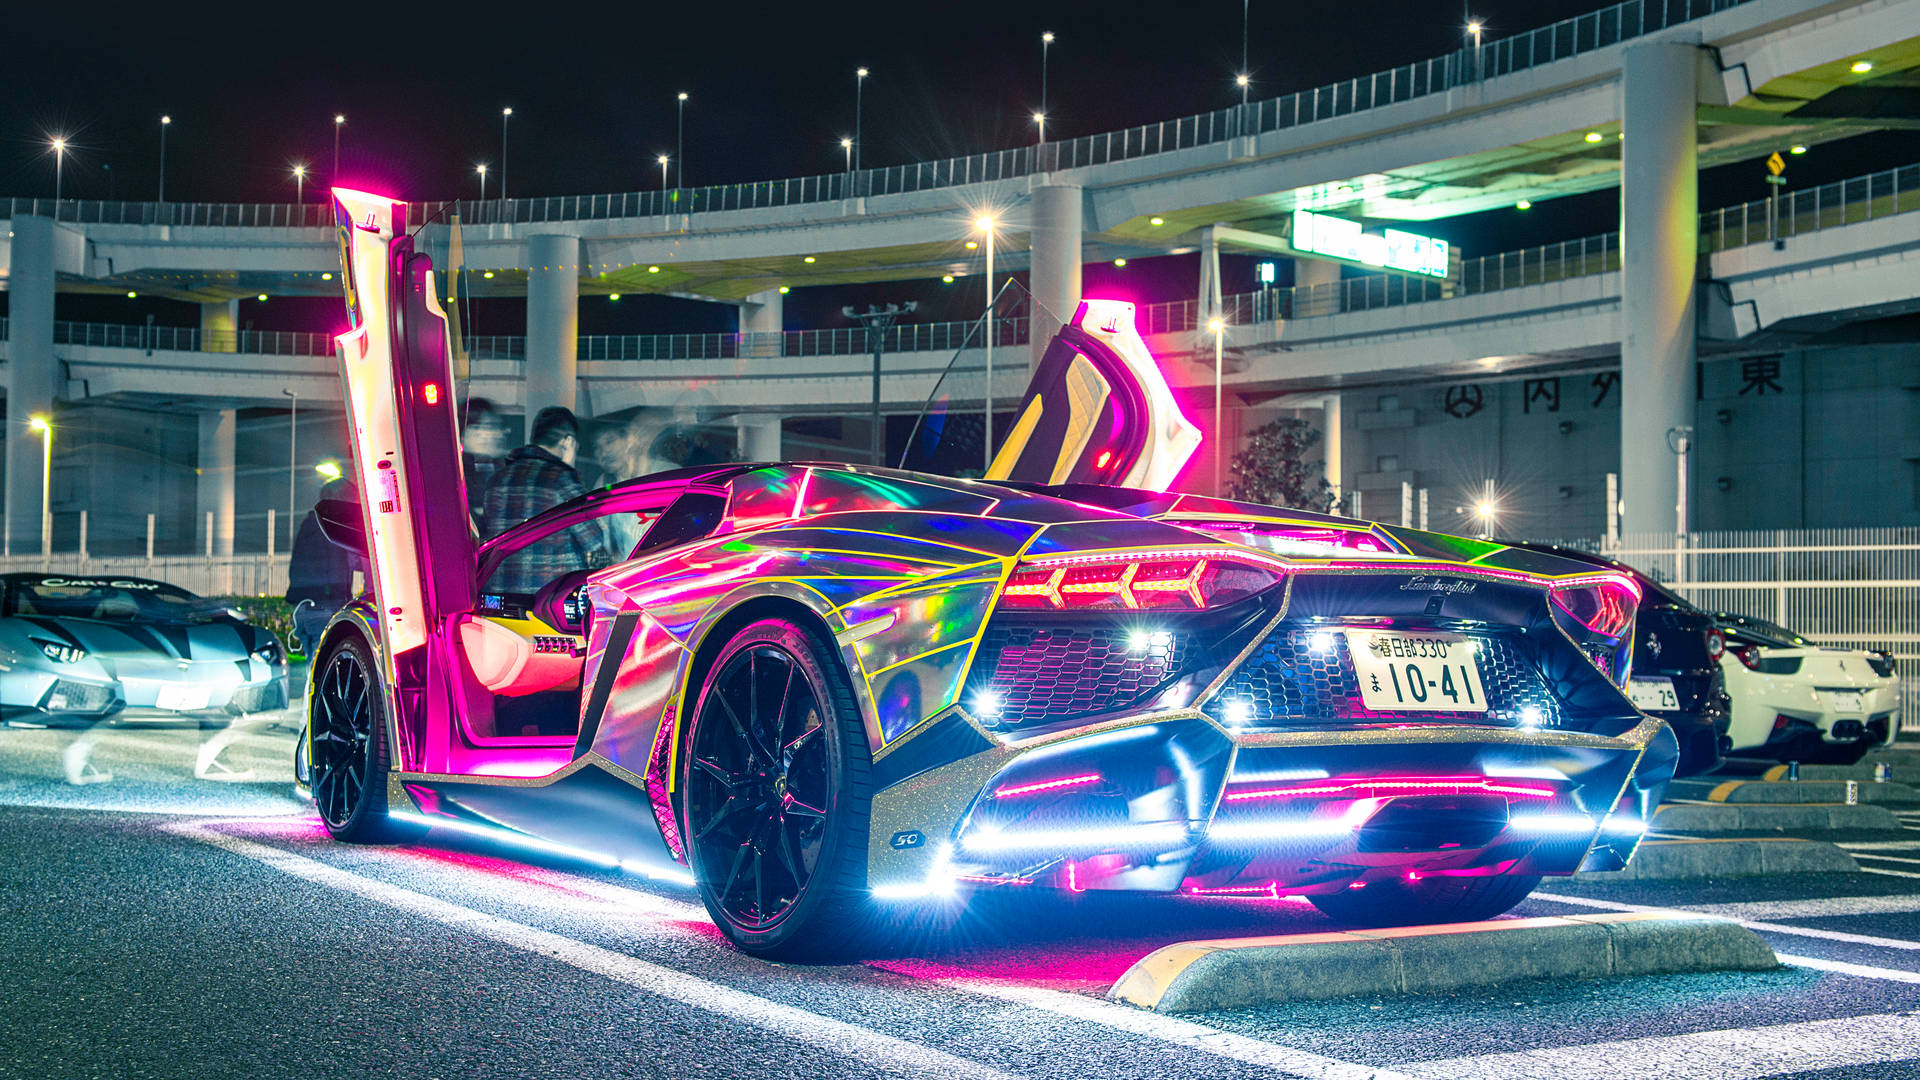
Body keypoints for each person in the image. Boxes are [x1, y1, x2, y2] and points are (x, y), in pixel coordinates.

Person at [483, 406, 610, 593]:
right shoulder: (561, 480)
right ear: (568, 441)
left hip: (502, 598)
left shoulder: (497, 480)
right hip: (548, 602)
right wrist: (568, 468)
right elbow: (595, 539)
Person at [286, 477, 365, 654]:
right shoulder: (331, 527)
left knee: (314, 664)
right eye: (351, 500)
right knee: (325, 662)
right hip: (324, 606)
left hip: (306, 606)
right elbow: (352, 560)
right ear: (339, 500)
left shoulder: (310, 523)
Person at [461, 397, 509, 533]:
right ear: (466, 431)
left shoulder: (493, 468)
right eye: (489, 427)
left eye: (498, 426)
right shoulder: (460, 476)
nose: (498, 434)